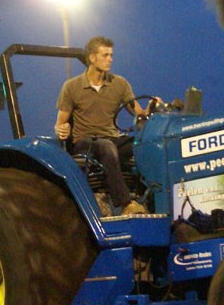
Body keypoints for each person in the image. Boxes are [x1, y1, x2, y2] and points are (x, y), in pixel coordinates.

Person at [54, 36, 159, 215]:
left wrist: (150, 109)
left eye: (111, 55)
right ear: (92, 58)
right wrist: (61, 129)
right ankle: (126, 203)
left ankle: (153, 198)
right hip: (85, 142)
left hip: (111, 138)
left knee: (143, 146)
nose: (110, 59)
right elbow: (60, 124)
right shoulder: (72, 87)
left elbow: (139, 114)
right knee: (106, 147)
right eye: (105, 55)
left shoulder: (119, 84)